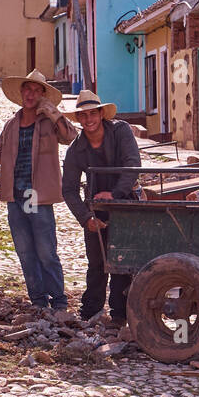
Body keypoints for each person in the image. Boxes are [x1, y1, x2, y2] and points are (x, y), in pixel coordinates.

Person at [0, 69, 77, 310]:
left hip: (38, 196)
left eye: (36, 91)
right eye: (27, 89)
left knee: (46, 252)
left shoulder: (49, 122)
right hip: (16, 196)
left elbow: (70, 136)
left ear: (43, 95)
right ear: (21, 92)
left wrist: (52, 111)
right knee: (25, 252)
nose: (30, 94)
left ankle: (59, 303)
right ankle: (38, 301)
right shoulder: (12, 124)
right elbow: (0, 153)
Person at [60, 89, 141, 325]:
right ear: (78, 119)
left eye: (92, 114)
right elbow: (69, 189)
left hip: (126, 205)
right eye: (82, 116)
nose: (88, 120)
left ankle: (120, 315)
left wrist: (114, 194)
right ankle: (90, 313)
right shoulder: (75, 150)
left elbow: (133, 164)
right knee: (96, 263)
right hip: (94, 209)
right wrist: (86, 218)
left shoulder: (121, 132)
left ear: (101, 113)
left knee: (122, 262)